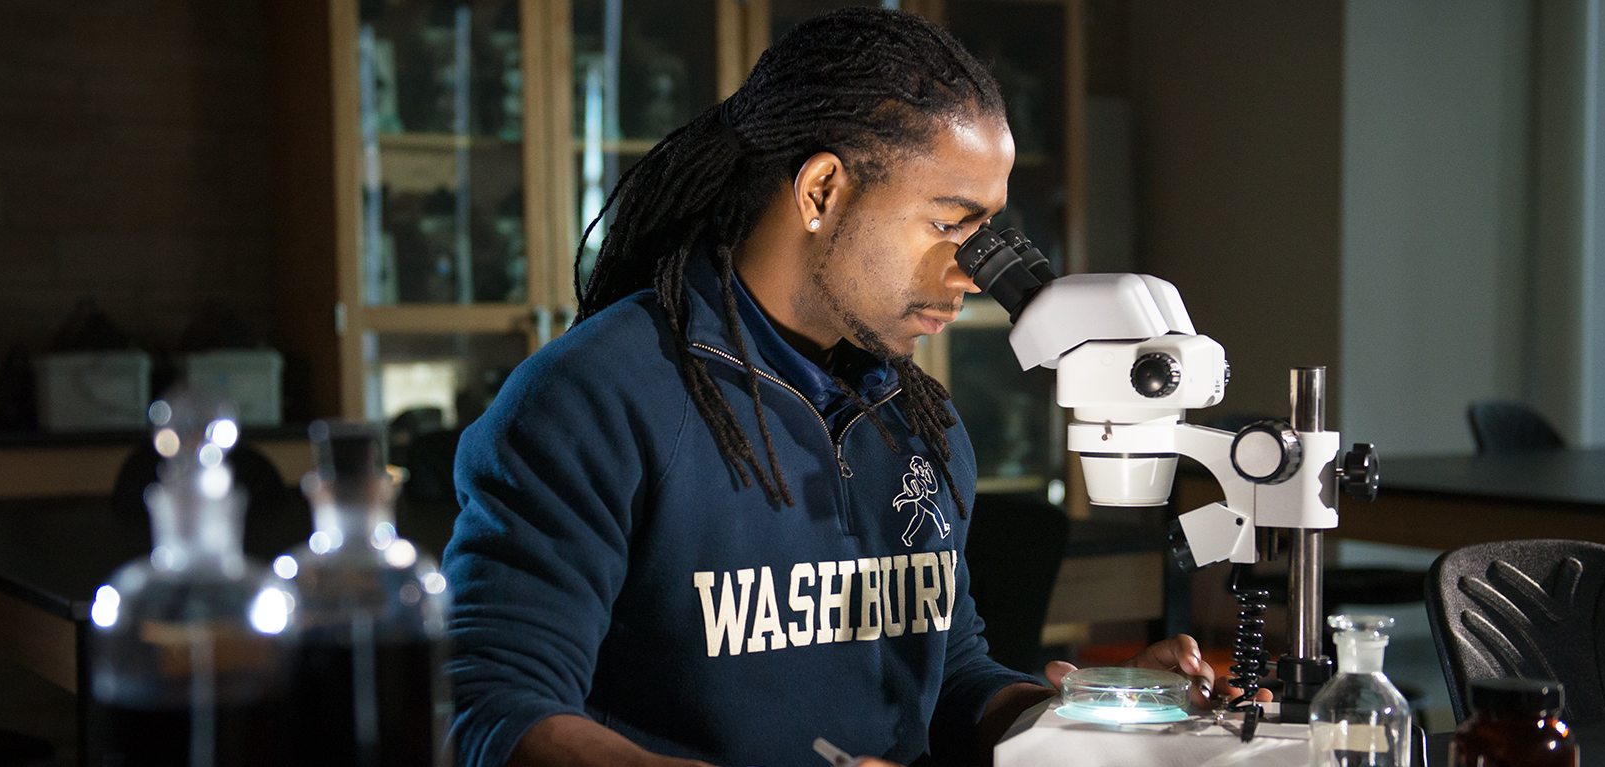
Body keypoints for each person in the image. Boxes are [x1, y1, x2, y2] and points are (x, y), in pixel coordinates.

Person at [442, 9, 1235, 766]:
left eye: (985, 233)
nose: (970, 271)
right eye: (949, 223)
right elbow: (495, 715)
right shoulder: (593, 398)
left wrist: (1069, 719)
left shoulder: (918, 421)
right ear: (822, 191)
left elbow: (949, 676)